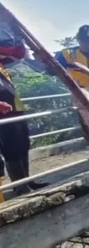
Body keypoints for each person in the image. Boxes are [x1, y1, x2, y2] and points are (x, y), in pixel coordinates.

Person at [0, 33, 48, 195]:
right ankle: (20, 186)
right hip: (3, 114)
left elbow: (18, 54)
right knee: (12, 148)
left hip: (16, 109)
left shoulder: (3, 63)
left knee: (23, 145)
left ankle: (28, 181)